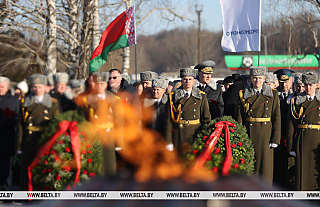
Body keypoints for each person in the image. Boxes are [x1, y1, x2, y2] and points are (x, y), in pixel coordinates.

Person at [237, 66, 280, 186]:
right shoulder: (243, 94)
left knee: (265, 167)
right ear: (250, 79)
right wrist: (240, 137)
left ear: (264, 79)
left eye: (260, 78)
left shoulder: (272, 94)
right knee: (251, 166)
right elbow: (240, 117)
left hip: (266, 134)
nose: (257, 81)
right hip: (249, 133)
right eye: (255, 78)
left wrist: (275, 138)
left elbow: (276, 117)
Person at [18, 74, 60, 190]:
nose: (37, 89)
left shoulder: (53, 103)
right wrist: (19, 144)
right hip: (29, 138)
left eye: (40, 86)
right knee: (27, 166)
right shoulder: (24, 103)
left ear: (45, 87)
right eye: (34, 87)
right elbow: (21, 125)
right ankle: (25, 193)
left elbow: (57, 123)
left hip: (45, 138)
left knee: (43, 166)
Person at [287, 72, 320, 190]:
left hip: (317, 140)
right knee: (302, 173)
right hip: (302, 140)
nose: (308, 88)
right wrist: (291, 147)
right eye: (306, 85)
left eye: (311, 85)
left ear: (316, 85)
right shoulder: (296, 101)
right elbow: (290, 126)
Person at [165, 68, 211, 152]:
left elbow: (206, 118)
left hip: (195, 133)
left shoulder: (201, 97)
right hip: (179, 134)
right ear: (181, 81)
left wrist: (205, 136)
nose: (187, 82)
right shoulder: (173, 97)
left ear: (194, 81)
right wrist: (168, 141)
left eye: (190, 79)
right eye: (185, 79)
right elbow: (168, 120)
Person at [272, 68, 295, 188]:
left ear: (291, 81)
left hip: (290, 136)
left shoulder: (295, 96)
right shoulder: (273, 95)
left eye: (286, 82)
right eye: (281, 82)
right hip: (277, 135)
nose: (284, 85)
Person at [0, 77, 20, 191]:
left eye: (1, 87)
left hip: (7, 139)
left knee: (7, 167)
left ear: (7, 88)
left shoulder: (14, 101)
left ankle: (6, 191)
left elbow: (18, 119)